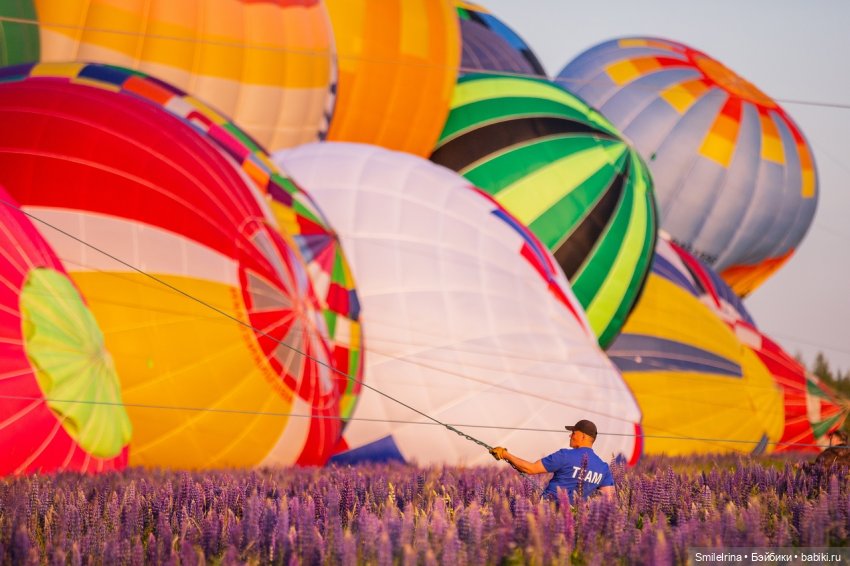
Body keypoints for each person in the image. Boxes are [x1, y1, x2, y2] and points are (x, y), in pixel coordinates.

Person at [489, 419, 614, 501]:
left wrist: (505, 454)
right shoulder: (603, 468)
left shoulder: (565, 455)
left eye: (573, 433)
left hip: (549, 512)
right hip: (575, 519)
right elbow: (608, 499)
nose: (570, 435)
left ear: (583, 436)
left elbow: (530, 469)